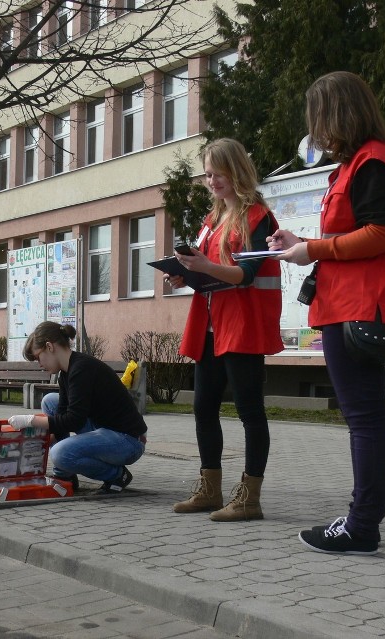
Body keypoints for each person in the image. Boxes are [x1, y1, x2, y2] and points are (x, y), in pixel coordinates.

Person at [268, 72, 385, 555]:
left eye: (319, 120)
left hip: (359, 309)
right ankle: (362, 521)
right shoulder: (361, 163)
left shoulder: (370, 163)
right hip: (351, 305)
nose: (317, 132)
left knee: (366, 420)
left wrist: (311, 249)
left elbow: (384, 233)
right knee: (368, 418)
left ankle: (361, 526)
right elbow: (359, 234)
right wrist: (302, 244)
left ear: (336, 115)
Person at [168, 138, 283, 522]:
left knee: (250, 410)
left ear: (236, 171)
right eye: (207, 174)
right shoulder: (211, 219)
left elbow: (244, 275)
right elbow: (205, 267)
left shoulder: (258, 216)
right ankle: (210, 489)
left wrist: (201, 267)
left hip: (242, 326)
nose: (211, 180)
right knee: (203, 408)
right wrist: (183, 274)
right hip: (210, 326)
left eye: (217, 172)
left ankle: (250, 498)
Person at [7, 322, 148, 493]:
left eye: (38, 357)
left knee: (60, 454)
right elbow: (62, 417)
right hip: (106, 430)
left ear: (49, 347)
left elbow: (74, 420)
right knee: (50, 401)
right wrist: (40, 442)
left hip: (128, 441)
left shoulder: (81, 369)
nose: (39, 364)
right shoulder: (66, 373)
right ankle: (64, 474)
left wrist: (31, 421)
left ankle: (116, 475)